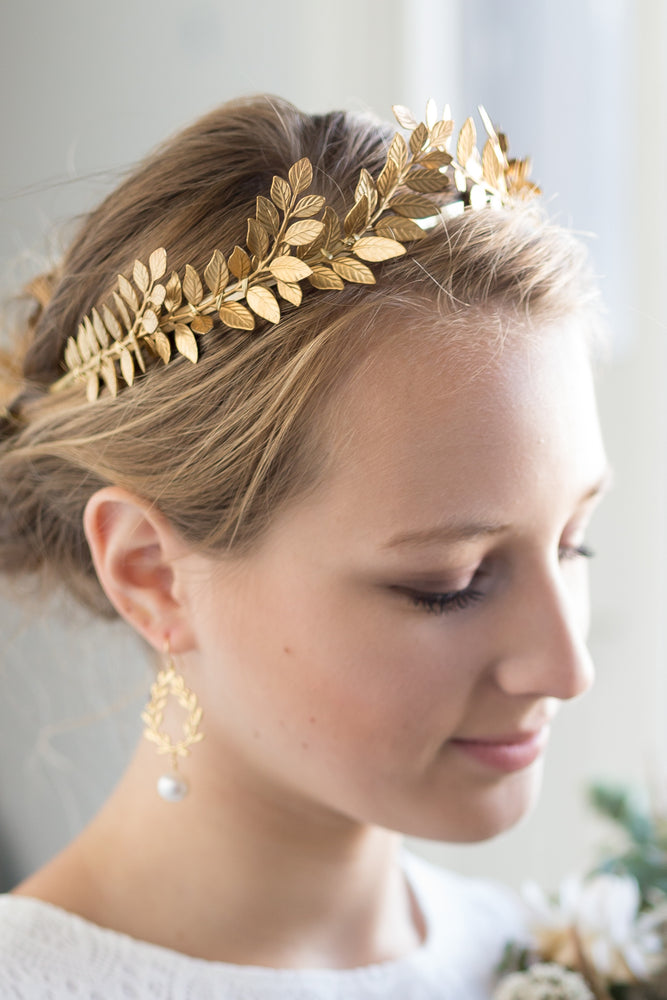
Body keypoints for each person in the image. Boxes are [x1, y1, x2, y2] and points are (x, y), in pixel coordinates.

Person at [0, 94, 608, 999]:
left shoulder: (559, 957)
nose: (565, 670)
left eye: (574, 545)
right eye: (449, 583)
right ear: (152, 574)